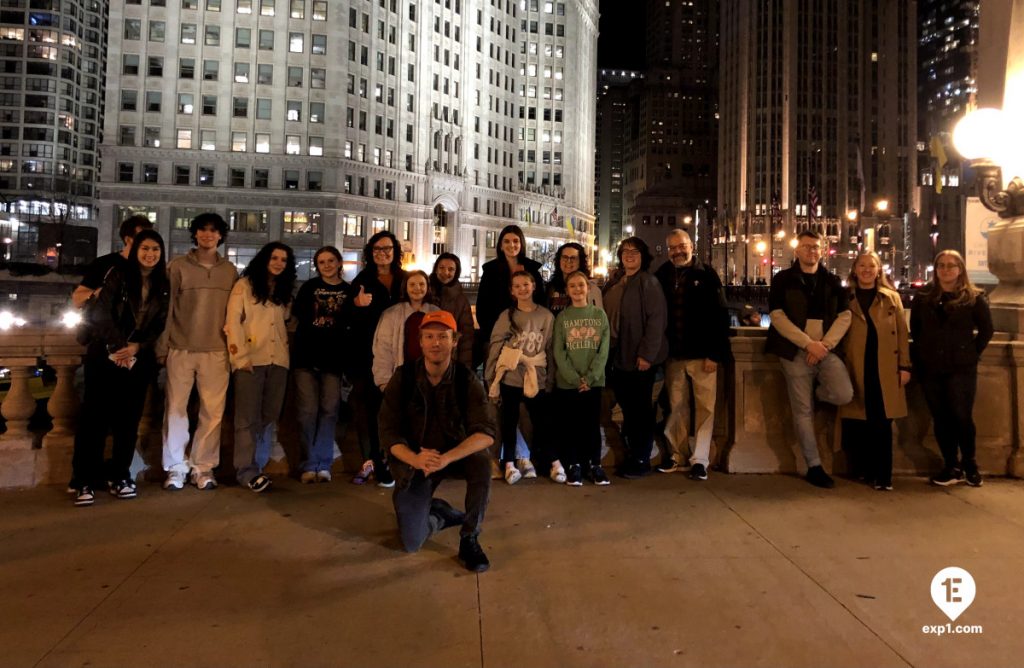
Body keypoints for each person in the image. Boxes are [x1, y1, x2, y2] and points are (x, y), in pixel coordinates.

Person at [379, 310, 497, 572]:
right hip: (416, 462)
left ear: (454, 340)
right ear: (420, 341)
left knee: (481, 463)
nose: (435, 343)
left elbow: (486, 432)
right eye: (429, 336)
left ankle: (469, 537)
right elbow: (388, 432)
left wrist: (447, 458)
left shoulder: (466, 379)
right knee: (411, 542)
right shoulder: (404, 377)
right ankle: (439, 515)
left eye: (443, 337)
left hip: (452, 455)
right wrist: (414, 458)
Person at [71, 230, 169, 506]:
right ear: (135, 249)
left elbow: (159, 322)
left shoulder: (162, 283)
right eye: (146, 248)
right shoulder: (118, 274)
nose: (150, 254)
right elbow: (100, 313)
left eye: (156, 250)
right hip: (104, 354)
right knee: (94, 420)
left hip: (138, 358)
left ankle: (120, 475)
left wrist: (137, 347)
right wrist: (119, 345)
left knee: (128, 420)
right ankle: (84, 480)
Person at [765, 230, 853, 488]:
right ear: (797, 251)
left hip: (826, 350)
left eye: (815, 247)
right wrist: (808, 344)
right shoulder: (783, 279)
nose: (811, 251)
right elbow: (778, 316)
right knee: (802, 412)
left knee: (843, 394)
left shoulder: (833, 281)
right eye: (806, 247)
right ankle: (814, 466)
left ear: (822, 250)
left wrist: (823, 345)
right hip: (794, 352)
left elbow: (844, 316)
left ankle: (819, 395)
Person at [159, 213, 238, 491]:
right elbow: (166, 310)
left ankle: (203, 467)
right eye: (202, 230)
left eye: (213, 231)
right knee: (176, 410)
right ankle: (176, 468)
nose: (207, 235)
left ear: (220, 236)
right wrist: (163, 344)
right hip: (180, 347)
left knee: (213, 412)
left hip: (217, 350)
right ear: (195, 234)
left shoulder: (229, 270)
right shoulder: (177, 267)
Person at [911, 250, 993, 487]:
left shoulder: (974, 298)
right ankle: (950, 465)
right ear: (936, 270)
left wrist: (970, 353)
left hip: (961, 368)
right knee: (940, 417)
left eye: (951, 266)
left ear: (960, 270)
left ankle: (969, 463)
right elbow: (916, 330)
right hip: (931, 367)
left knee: (962, 416)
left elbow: (986, 331)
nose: (946, 270)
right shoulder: (923, 296)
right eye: (941, 266)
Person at [653, 229, 730, 481]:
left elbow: (720, 316)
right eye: (673, 247)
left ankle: (700, 459)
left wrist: (714, 354)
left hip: (703, 356)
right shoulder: (662, 274)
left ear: (692, 245)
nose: (678, 251)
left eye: (682, 246)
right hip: (673, 356)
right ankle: (678, 455)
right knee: (676, 408)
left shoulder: (707, 274)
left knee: (706, 409)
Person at [225, 242, 296, 493]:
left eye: (284, 260)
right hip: (250, 360)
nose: (278, 263)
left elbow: (285, 322)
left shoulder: (284, 291)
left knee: (269, 415)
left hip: (278, 361)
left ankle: (259, 464)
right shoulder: (244, 286)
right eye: (274, 258)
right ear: (264, 259)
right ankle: (246, 470)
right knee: (246, 417)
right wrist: (240, 357)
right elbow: (232, 322)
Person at [838, 252, 911, 491]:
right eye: (862, 265)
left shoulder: (891, 298)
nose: (867, 270)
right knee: (858, 421)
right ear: (855, 269)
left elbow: (902, 333)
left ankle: (883, 475)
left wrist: (904, 366)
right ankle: (863, 470)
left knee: (882, 422)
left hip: (885, 367)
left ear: (879, 270)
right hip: (855, 365)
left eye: (872, 266)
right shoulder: (845, 297)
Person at [485, 271, 562, 484]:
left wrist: (551, 378)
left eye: (526, 284)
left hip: (536, 377)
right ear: (511, 291)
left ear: (534, 286)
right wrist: (491, 376)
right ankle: (508, 463)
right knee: (508, 422)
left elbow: (549, 348)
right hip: (511, 376)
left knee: (542, 422)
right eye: (517, 286)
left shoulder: (546, 316)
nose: (522, 289)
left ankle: (553, 462)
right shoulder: (506, 316)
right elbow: (496, 345)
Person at [602, 237, 668, 479]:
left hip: (638, 358)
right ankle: (633, 454)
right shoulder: (617, 282)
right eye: (625, 251)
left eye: (635, 251)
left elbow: (656, 321)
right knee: (629, 409)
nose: (629, 255)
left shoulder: (648, 283)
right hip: (619, 357)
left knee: (640, 410)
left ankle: (641, 458)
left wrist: (646, 355)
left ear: (643, 256)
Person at [347, 231, 406, 487]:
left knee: (398, 409)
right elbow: (348, 319)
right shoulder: (363, 280)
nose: (383, 253)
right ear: (371, 254)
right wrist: (356, 305)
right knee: (369, 410)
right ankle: (374, 460)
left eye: (387, 248)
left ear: (395, 251)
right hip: (367, 355)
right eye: (377, 249)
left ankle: (398, 458)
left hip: (400, 355)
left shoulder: (405, 279)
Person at [292, 246, 350, 483]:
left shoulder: (349, 291)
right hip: (305, 357)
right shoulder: (308, 288)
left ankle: (323, 463)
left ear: (339, 263)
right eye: (322, 262)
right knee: (307, 412)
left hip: (334, 360)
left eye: (331, 260)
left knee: (329, 411)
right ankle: (309, 463)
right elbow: (300, 317)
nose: (326, 265)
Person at [553, 270, 611, 486]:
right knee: (571, 426)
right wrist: (576, 379)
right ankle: (574, 464)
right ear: (567, 291)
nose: (577, 290)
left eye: (581, 285)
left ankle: (594, 464)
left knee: (592, 425)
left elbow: (603, 349)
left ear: (588, 288)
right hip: (568, 383)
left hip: (594, 382)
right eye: (573, 286)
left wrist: (591, 376)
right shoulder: (563, 317)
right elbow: (559, 351)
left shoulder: (599, 316)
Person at [474, 224, 546, 368]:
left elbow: (541, 301)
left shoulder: (532, 270)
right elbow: (482, 307)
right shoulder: (490, 271)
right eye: (506, 241)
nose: (511, 245)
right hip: (498, 335)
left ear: (521, 244)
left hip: (528, 335)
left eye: (515, 241)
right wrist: (495, 334)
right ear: (500, 245)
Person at [372, 270, 440, 390]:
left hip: (431, 379)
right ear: (406, 287)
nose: (417, 288)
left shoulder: (437, 313)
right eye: (412, 284)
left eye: (421, 284)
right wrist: (384, 382)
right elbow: (383, 350)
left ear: (427, 287)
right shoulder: (391, 314)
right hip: (401, 378)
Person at [71, 215, 153, 309]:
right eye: (143, 237)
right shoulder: (104, 263)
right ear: (128, 240)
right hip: (108, 321)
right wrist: (106, 292)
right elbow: (78, 299)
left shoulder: (153, 267)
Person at [429, 253, 475, 367]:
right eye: (442, 268)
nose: (446, 273)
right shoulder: (425, 294)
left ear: (456, 272)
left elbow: (466, 337)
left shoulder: (461, 301)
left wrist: (464, 367)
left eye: (451, 269)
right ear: (435, 269)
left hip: (450, 359)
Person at [545, 242, 603, 317]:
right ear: (559, 260)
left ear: (580, 261)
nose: (569, 261)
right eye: (565, 257)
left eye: (573, 258)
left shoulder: (591, 289)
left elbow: (599, 318)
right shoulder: (551, 288)